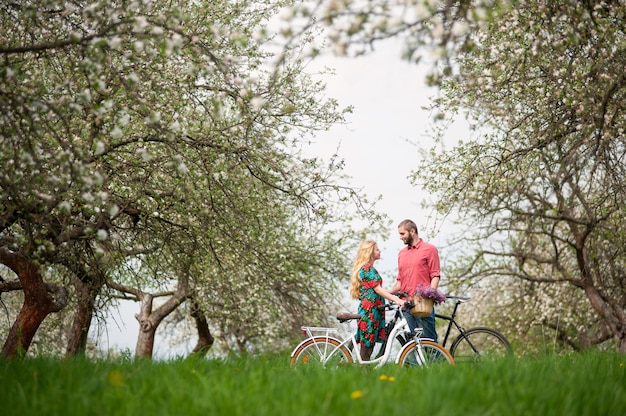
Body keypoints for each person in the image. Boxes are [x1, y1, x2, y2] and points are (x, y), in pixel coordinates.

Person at [349, 240, 405, 361]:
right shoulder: (367, 268)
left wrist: (392, 293)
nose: (380, 251)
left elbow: (374, 291)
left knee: (370, 343)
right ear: (369, 252)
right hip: (370, 310)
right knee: (367, 344)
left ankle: (365, 371)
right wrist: (396, 299)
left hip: (374, 309)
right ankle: (363, 371)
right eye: (377, 249)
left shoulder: (368, 268)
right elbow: (378, 290)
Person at [390, 219, 441, 342]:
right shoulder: (401, 254)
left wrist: (430, 294)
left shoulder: (429, 249)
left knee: (429, 340)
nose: (400, 237)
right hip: (405, 303)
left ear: (412, 231)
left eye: (402, 234)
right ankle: (412, 362)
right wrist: (387, 292)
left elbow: (435, 275)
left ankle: (437, 361)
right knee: (411, 343)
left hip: (422, 302)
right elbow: (400, 281)